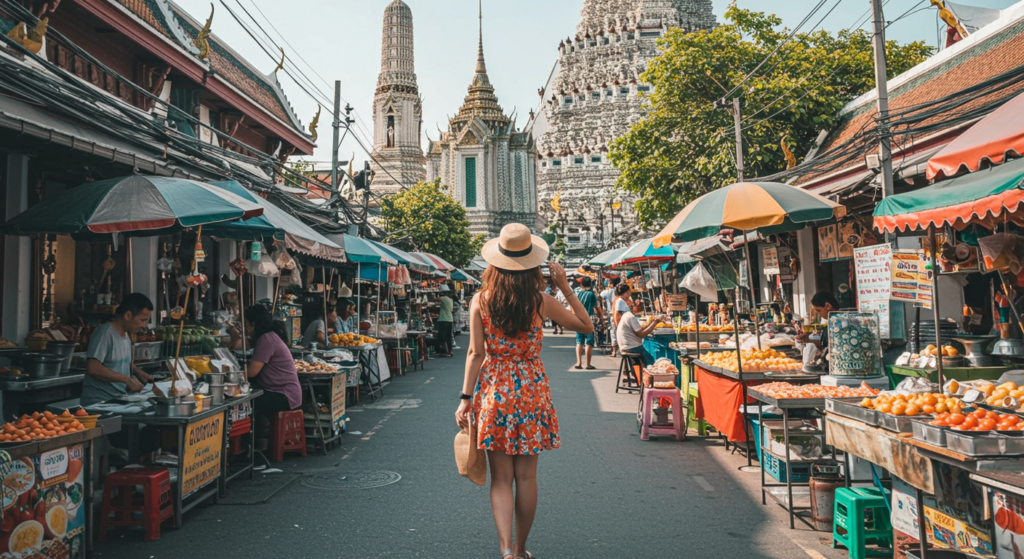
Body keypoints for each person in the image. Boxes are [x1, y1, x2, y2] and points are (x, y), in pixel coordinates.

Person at [455, 223, 593, 559]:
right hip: (531, 389)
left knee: (501, 479)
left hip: (495, 390)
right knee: (527, 477)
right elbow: (586, 327)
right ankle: (520, 550)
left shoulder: (480, 300)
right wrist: (565, 287)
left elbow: (475, 353)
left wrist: (465, 399)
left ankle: (505, 550)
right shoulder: (541, 301)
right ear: (533, 264)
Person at [81, 293, 156, 407]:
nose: (144, 325)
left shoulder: (125, 335)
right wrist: (126, 379)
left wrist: (138, 372)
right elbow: (93, 368)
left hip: (118, 399)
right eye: (142, 320)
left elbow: (120, 361)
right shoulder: (105, 334)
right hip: (99, 403)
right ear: (127, 315)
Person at [239, 305, 302, 439]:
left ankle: (251, 446)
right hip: (282, 392)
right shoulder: (267, 337)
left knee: (248, 404)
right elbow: (237, 345)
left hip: (284, 395)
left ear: (253, 323)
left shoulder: (267, 339)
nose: (245, 328)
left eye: (246, 324)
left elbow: (251, 373)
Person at [616, 296, 666, 366]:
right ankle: (646, 375)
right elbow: (641, 334)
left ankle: (640, 373)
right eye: (641, 306)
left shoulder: (626, 315)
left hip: (626, 346)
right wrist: (655, 323)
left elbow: (639, 329)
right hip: (631, 347)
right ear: (634, 307)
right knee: (650, 361)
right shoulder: (630, 317)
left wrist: (651, 322)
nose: (642, 309)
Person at [573, 276, 604, 370]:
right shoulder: (591, 294)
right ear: (590, 284)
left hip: (579, 319)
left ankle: (578, 362)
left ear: (581, 284)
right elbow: (596, 307)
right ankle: (588, 364)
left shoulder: (579, 294)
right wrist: (601, 317)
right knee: (589, 342)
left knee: (579, 341)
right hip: (589, 320)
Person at [600, 277, 621, 357]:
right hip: (621, 314)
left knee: (613, 332)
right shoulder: (619, 291)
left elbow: (600, 296)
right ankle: (620, 348)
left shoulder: (607, 292)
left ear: (611, 283)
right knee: (620, 331)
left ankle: (614, 351)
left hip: (612, 314)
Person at [437, 288, 454, 357]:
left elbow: (435, 299)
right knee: (448, 336)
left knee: (443, 336)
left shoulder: (444, 298)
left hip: (443, 319)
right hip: (450, 319)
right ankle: (450, 350)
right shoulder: (451, 300)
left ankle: (446, 351)